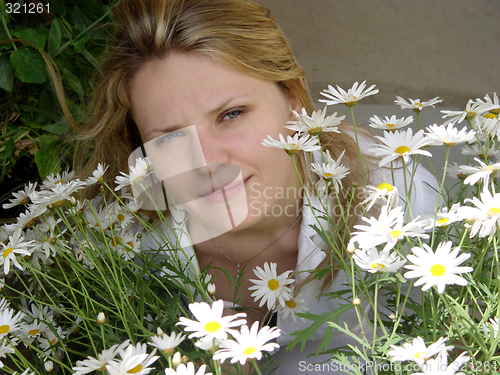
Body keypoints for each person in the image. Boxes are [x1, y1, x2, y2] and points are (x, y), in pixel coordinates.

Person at [75, 0, 438, 373]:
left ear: (293, 100)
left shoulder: (400, 205)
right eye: (169, 138)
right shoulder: (115, 254)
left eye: (231, 115)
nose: (207, 162)